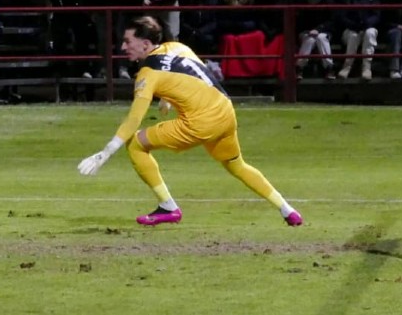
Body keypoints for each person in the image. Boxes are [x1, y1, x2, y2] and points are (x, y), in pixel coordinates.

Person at [76, 15, 303, 227]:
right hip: (225, 112)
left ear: (145, 44)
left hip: (199, 122)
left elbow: (135, 117)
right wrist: (168, 97)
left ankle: (168, 207)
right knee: (237, 165)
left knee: (135, 144)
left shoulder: (147, 73)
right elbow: (195, 73)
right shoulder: (177, 47)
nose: (123, 47)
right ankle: (287, 210)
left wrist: (106, 152)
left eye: (127, 41)